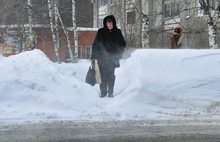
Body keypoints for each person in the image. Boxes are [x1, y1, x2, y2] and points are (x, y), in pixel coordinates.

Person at [91, 15, 126, 98]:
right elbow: (95, 45)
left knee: (111, 76)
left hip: (112, 59)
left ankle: (110, 92)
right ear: (105, 23)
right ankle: (103, 92)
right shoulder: (101, 32)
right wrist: (94, 56)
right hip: (102, 59)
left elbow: (122, 44)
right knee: (102, 76)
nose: (110, 25)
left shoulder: (117, 32)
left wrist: (118, 54)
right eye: (108, 23)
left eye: (111, 23)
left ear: (114, 23)